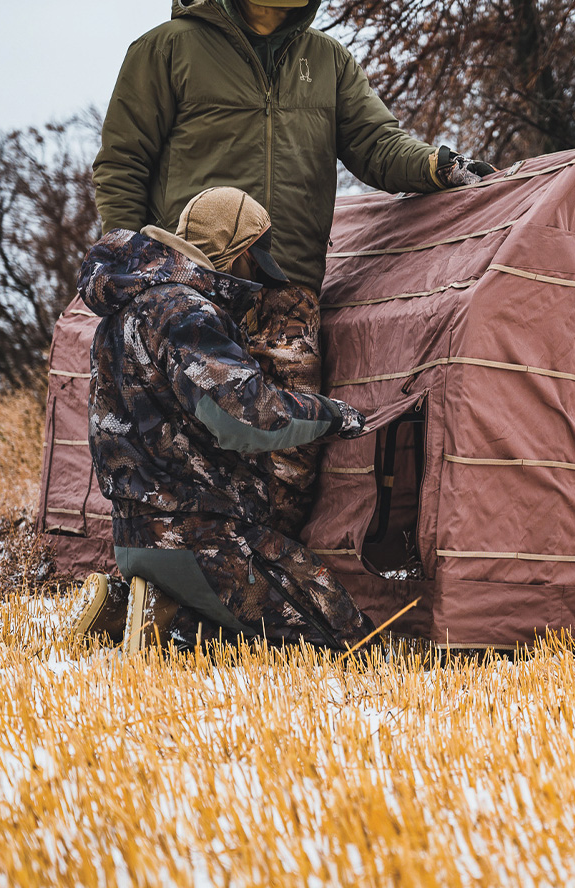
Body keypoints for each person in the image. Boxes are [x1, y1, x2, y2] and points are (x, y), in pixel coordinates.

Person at [92, 0, 493, 539]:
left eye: (286, 1)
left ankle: (260, 578)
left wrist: (439, 167)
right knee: (188, 434)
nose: (271, 13)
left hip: (288, 288)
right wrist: (130, 264)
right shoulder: (165, 50)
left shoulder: (328, 61)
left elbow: (376, 144)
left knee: (289, 449)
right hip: (190, 286)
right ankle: (181, 577)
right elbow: (122, 161)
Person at [67, 186, 373, 652]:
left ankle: (132, 606)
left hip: (134, 536)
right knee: (344, 640)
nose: (255, 278)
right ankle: (173, 630)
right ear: (240, 252)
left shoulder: (124, 311)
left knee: (270, 616)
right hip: (203, 541)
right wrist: (333, 415)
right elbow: (245, 420)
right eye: (255, 263)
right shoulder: (185, 311)